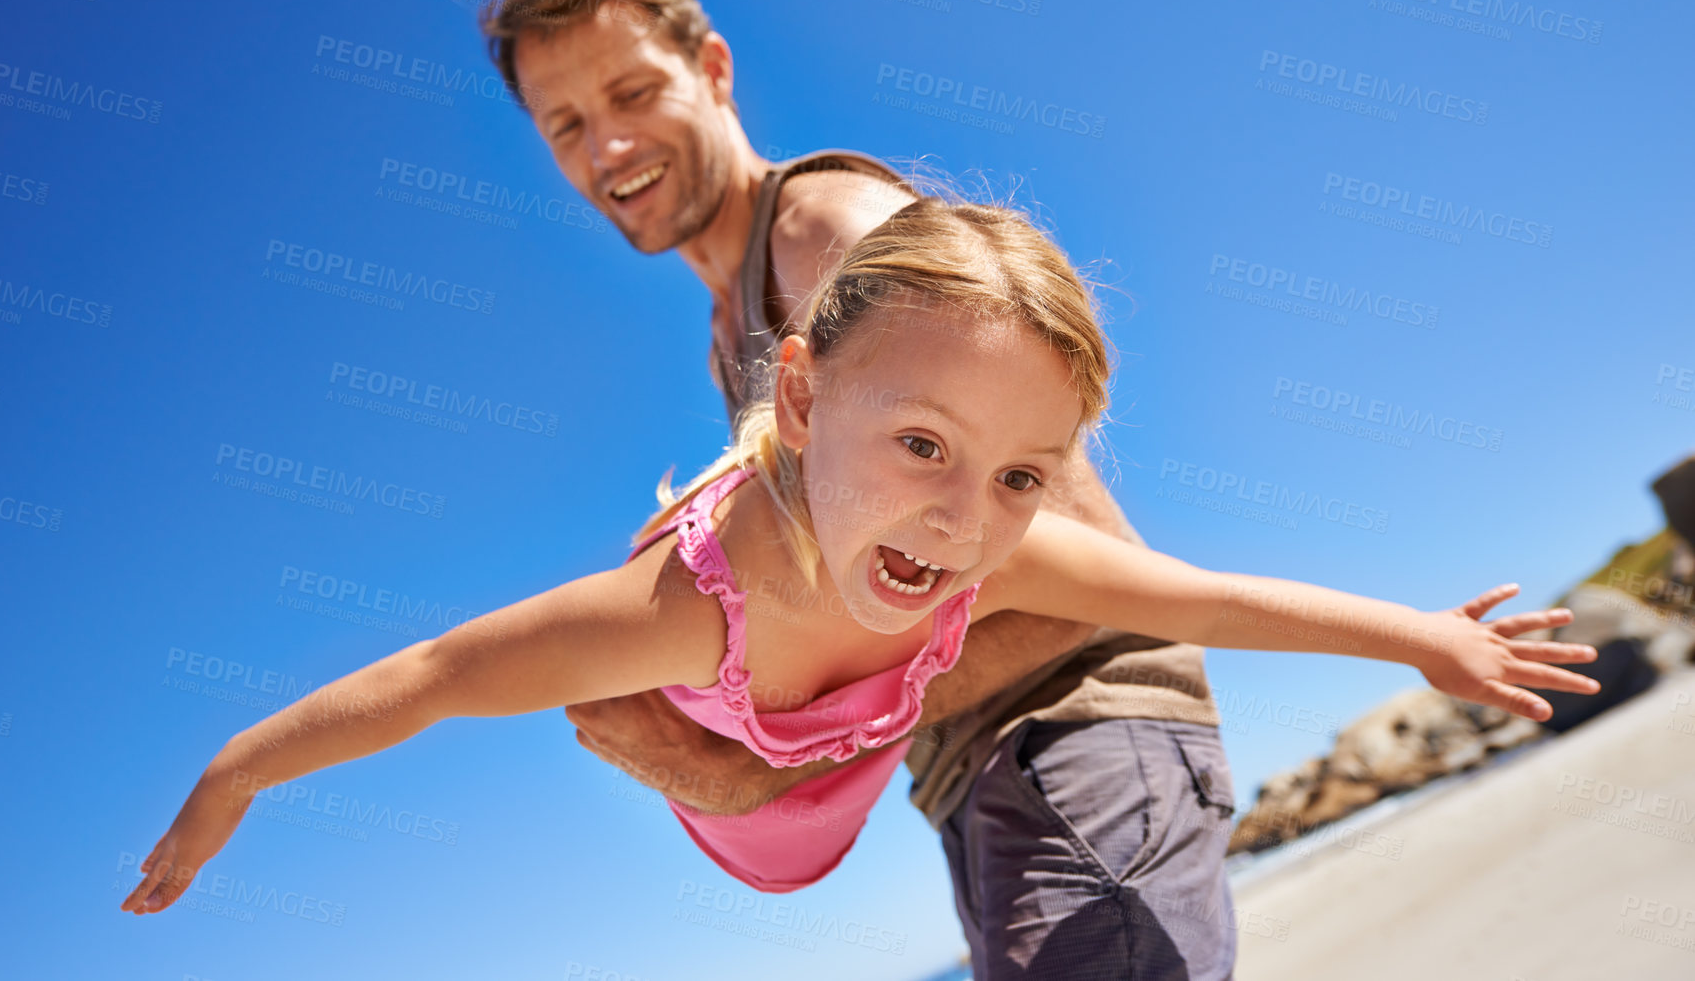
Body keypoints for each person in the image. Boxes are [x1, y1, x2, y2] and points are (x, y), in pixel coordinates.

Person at [122, 201, 1595, 942]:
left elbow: (1194, 594)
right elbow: (436, 675)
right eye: (923, 442)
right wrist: (232, 775)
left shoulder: (987, 564)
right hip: (755, 803)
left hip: (833, 769)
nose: (965, 513)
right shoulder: (690, 606)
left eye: (1020, 471)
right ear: (810, 394)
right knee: (655, 728)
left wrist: (1419, 635)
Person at [486, 0, 1238, 975]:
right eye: (567, 123)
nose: (606, 146)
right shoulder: (735, 331)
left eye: (631, 91)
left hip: (1076, 728)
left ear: (712, 71)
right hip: (978, 771)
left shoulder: (825, 239)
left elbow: (1088, 573)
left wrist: (765, 769)